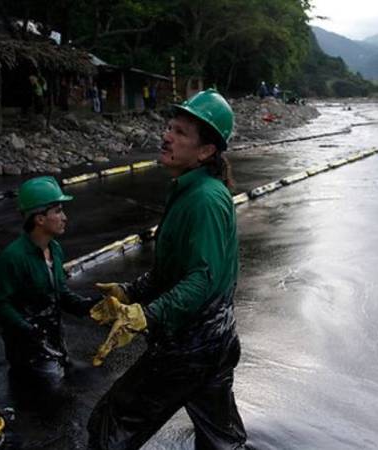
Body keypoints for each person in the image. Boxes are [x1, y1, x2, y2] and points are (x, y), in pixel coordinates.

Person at [88, 89, 247, 449]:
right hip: (217, 338)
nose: (167, 135)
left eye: (180, 132)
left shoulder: (204, 199)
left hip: (192, 344)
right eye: (169, 126)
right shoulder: (189, 189)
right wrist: (130, 292)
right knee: (220, 437)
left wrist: (146, 316)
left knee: (110, 425)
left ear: (206, 151)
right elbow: (174, 269)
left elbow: (200, 279)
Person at [0, 176, 94, 402]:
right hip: (27, 354)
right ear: (40, 219)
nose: (65, 217)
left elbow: (59, 292)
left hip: (54, 346)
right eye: (58, 211)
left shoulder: (54, 249)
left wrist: (87, 306)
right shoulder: (12, 258)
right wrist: (27, 329)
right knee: (48, 406)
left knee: (77, 392)